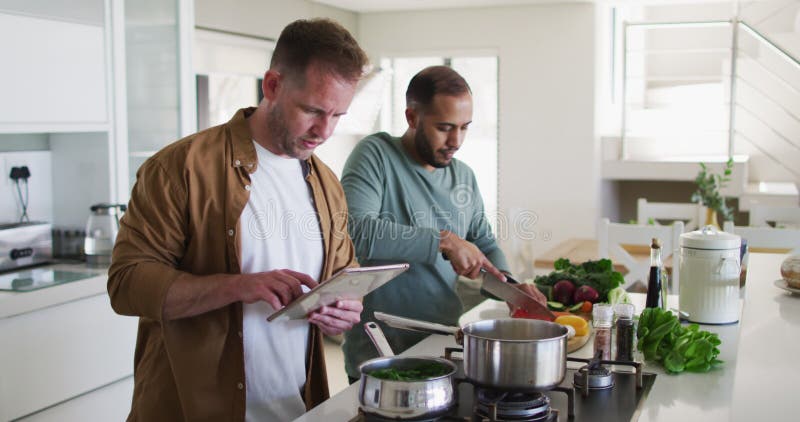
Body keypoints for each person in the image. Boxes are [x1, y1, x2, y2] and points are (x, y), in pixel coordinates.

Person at [107, 19, 369, 421]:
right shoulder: (179, 168)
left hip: (296, 410)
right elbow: (126, 285)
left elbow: (344, 276)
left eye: (337, 115)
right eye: (313, 110)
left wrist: (346, 308)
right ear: (272, 86)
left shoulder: (326, 183)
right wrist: (237, 286)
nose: (324, 131)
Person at [340, 66, 547, 381]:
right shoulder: (375, 155)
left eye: (465, 127)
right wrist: (445, 241)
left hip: (443, 344)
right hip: (381, 352)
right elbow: (356, 231)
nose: (456, 140)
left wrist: (510, 287)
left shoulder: (463, 175)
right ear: (412, 118)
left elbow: (483, 242)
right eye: (445, 127)